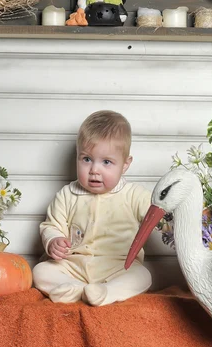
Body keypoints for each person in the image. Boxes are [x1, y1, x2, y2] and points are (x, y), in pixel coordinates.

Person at [32, 110, 152, 306]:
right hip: (73, 267)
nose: (95, 170)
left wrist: (172, 221)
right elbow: (51, 225)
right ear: (77, 157)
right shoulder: (67, 194)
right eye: (87, 159)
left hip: (117, 266)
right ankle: (76, 288)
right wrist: (53, 240)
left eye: (106, 162)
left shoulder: (134, 195)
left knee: (143, 275)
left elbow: (157, 216)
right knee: (40, 271)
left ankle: (106, 292)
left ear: (125, 165)